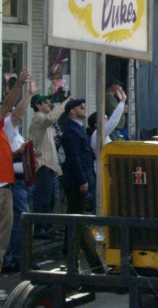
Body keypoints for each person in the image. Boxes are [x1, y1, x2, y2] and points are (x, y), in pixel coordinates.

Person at [60, 98, 103, 271]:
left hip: (84, 176)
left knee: (76, 214)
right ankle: (73, 248)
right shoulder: (71, 130)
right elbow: (73, 158)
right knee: (75, 214)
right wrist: (82, 179)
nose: (84, 108)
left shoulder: (77, 129)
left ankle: (73, 247)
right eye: (80, 107)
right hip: (77, 180)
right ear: (72, 112)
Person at [0, 70, 32, 300]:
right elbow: (8, 107)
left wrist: (18, 154)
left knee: (2, 242)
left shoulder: (3, 131)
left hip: (6, 188)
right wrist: (19, 85)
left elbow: (15, 113)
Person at [2, 75, 37, 273]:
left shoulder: (11, 132)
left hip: (16, 182)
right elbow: (16, 113)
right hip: (10, 183)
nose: (14, 114)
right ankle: (16, 257)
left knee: (14, 223)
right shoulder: (7, 123)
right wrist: (27, 93)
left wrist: (23, 156)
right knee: (17, 222)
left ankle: (14, 257)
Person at [29, 93, 69, 239]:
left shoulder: (46, 125)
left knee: (50, 199)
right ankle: (39, 228)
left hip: (50, 165)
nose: (49, 104)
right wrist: (64, 105)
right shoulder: (38, 119)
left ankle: (46, 226)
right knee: (43, 199)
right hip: (43, 165)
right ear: (38, 105)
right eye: (45, 102)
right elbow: (50, 118)